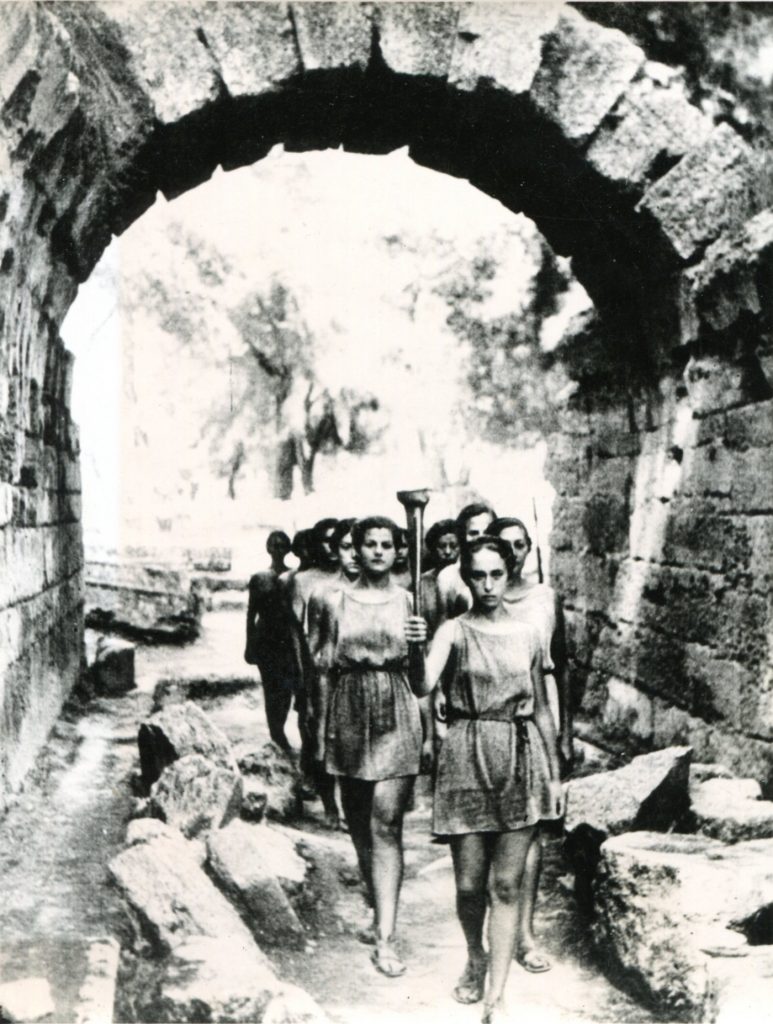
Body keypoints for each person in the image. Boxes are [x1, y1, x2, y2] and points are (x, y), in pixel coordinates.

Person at [405, 536, 563, 1023]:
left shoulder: (529, 632)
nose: (489, 584)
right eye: (479, 575)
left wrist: (554, 777)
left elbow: (539, 709)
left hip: (520, 758)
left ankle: (496, 995)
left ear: (509, 572)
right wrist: (414, 647)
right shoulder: (452, 631)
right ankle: (475, 954)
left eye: (497, 574)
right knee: (471, 886)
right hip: (466, 758)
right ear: (465, 576)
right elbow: (420, 685)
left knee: (508, 886)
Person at [307, 516, 422, 978]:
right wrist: (317, 730)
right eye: (369, 544)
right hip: (349, 709)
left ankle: (387, 938)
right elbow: (319, 669)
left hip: (397, 709)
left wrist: (420, 642)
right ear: (356, 549)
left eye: (386, 545)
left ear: (398, 551)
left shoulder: (410, 602)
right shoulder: (333, 602)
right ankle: (377, 907)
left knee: (386, 824)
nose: (377, 551)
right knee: (359, 822)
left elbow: (421, 678)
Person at [486, 516, 572, 974]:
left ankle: (525, 933)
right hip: (491, 717)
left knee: (533, 826)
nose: (515, 553)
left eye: (522, 545)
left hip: (538, 713)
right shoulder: (477, 593)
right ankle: (492, 930)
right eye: (506, 545)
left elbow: (563, 665)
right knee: (489, 829)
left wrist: (566, 733)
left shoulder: (545, 598)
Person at [245, 531, 306, 754]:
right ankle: (277, 734)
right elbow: (251, 613)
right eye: (274, 545)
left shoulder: (294, 577)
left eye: (283, 545)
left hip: (287, 640)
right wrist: (249, 644)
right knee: (271, 689)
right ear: (268, 547)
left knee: (288, 688)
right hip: (266, 640)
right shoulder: (259, 578)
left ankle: (280, 731)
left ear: (289, 549)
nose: (278, 549)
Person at [435, 502, 497, 623]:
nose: (481, 538)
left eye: (487, 532)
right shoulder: (447, 577)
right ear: (462, 536)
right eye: (473, 533)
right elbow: (443, 626)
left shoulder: (505, 574)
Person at [421, 518, 459, 640]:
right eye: (442, 546)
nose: (448, 552)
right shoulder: (422, 582)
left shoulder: (466, 579)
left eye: (453, 546)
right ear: (433, 549)